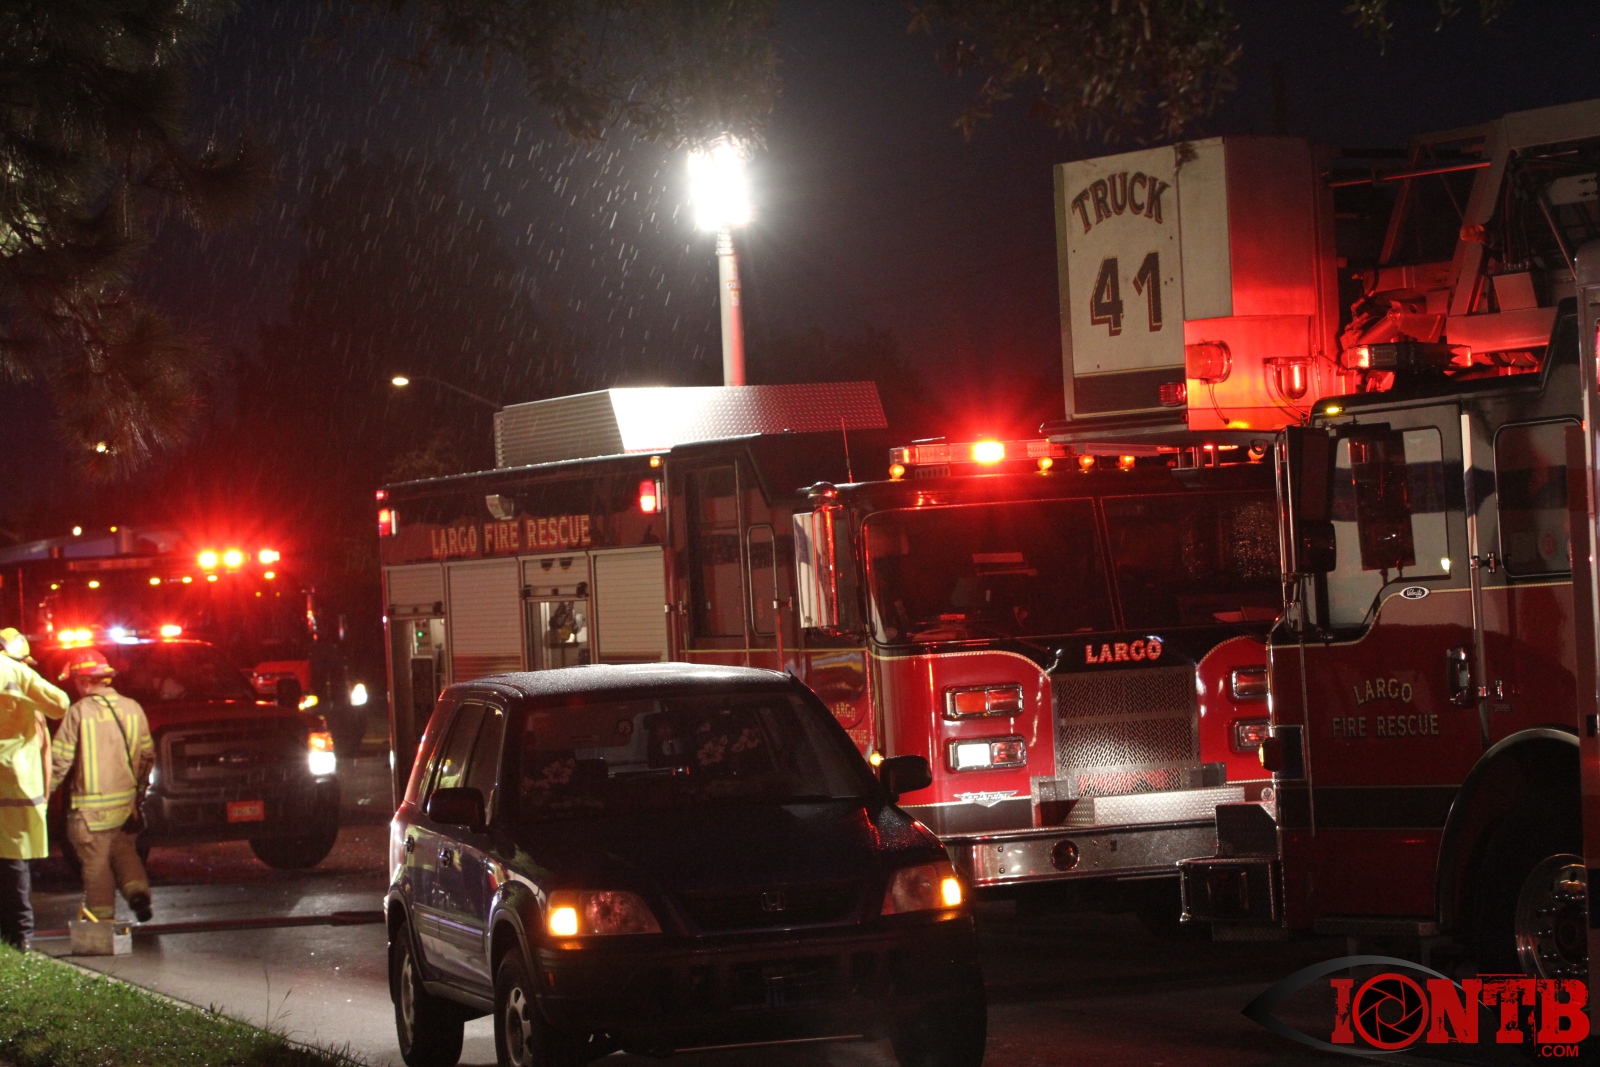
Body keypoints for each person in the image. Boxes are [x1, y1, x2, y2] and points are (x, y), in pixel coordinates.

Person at [53, 649, 154, 923]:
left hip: (89, 812)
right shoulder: (133, 708)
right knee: (124, 852)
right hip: (124, 807)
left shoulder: (79, 712)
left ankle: (101, 924)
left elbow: (59, 760)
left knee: (96, 866)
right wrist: (139, 792)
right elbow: (147, 756)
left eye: (75, 680)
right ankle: (138, 893)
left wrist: (41, 794)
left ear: (84, 680)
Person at [0, 628, 70, 949]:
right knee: (14, 862)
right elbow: (60, 704)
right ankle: (20, 938)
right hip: (15, 782)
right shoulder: (18, 673)